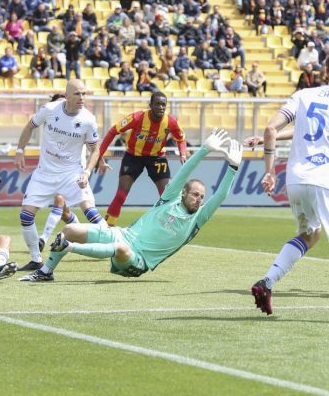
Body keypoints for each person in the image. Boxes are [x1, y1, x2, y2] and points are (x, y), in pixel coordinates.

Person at [249, 46, 329, 324]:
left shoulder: (304, 95)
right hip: (328, 180)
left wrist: (270, 171)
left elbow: (270, 129)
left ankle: (267, 282)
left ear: (326, 71)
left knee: (310, 234)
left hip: (296, 178)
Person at [25, 130, 241, 282]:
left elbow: (220, 195)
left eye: (202, 197)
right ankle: (46, 272)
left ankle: (68, 247)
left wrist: (233, 167)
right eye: (195, 194)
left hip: (137, 261)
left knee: (119, 248)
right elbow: (184, 173)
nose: (199, 199)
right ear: (184, 193)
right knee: (70, 229)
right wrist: (204, 150)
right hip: (123, 234)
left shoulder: (198, 219)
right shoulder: (169, 198)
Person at [13, 80, 105, 273]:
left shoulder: (88, 119)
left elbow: (95, 149)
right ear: (67, 94)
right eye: (78, 94)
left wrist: (87, 172)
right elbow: (29, 127)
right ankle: (36, 260)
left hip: (71, 174)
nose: (82, 98)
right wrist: (20, 151)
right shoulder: (49, 109)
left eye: (84, 94)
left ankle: (116, 244)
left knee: (90, 212)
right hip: (44, 173)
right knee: (26, 215)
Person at [83, 92, 189, 226]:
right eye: (157, 104)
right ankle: (107, 227)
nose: (161, 107)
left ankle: (170, 226)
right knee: (121, 194)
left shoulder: (171, 121)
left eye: (163, 104)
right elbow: (113, 131)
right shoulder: (137, 118)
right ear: (150, 105)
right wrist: (99, 155)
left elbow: (181, 138)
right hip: (133, 156)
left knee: (167, 195)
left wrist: (183, 154)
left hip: (156, 158)